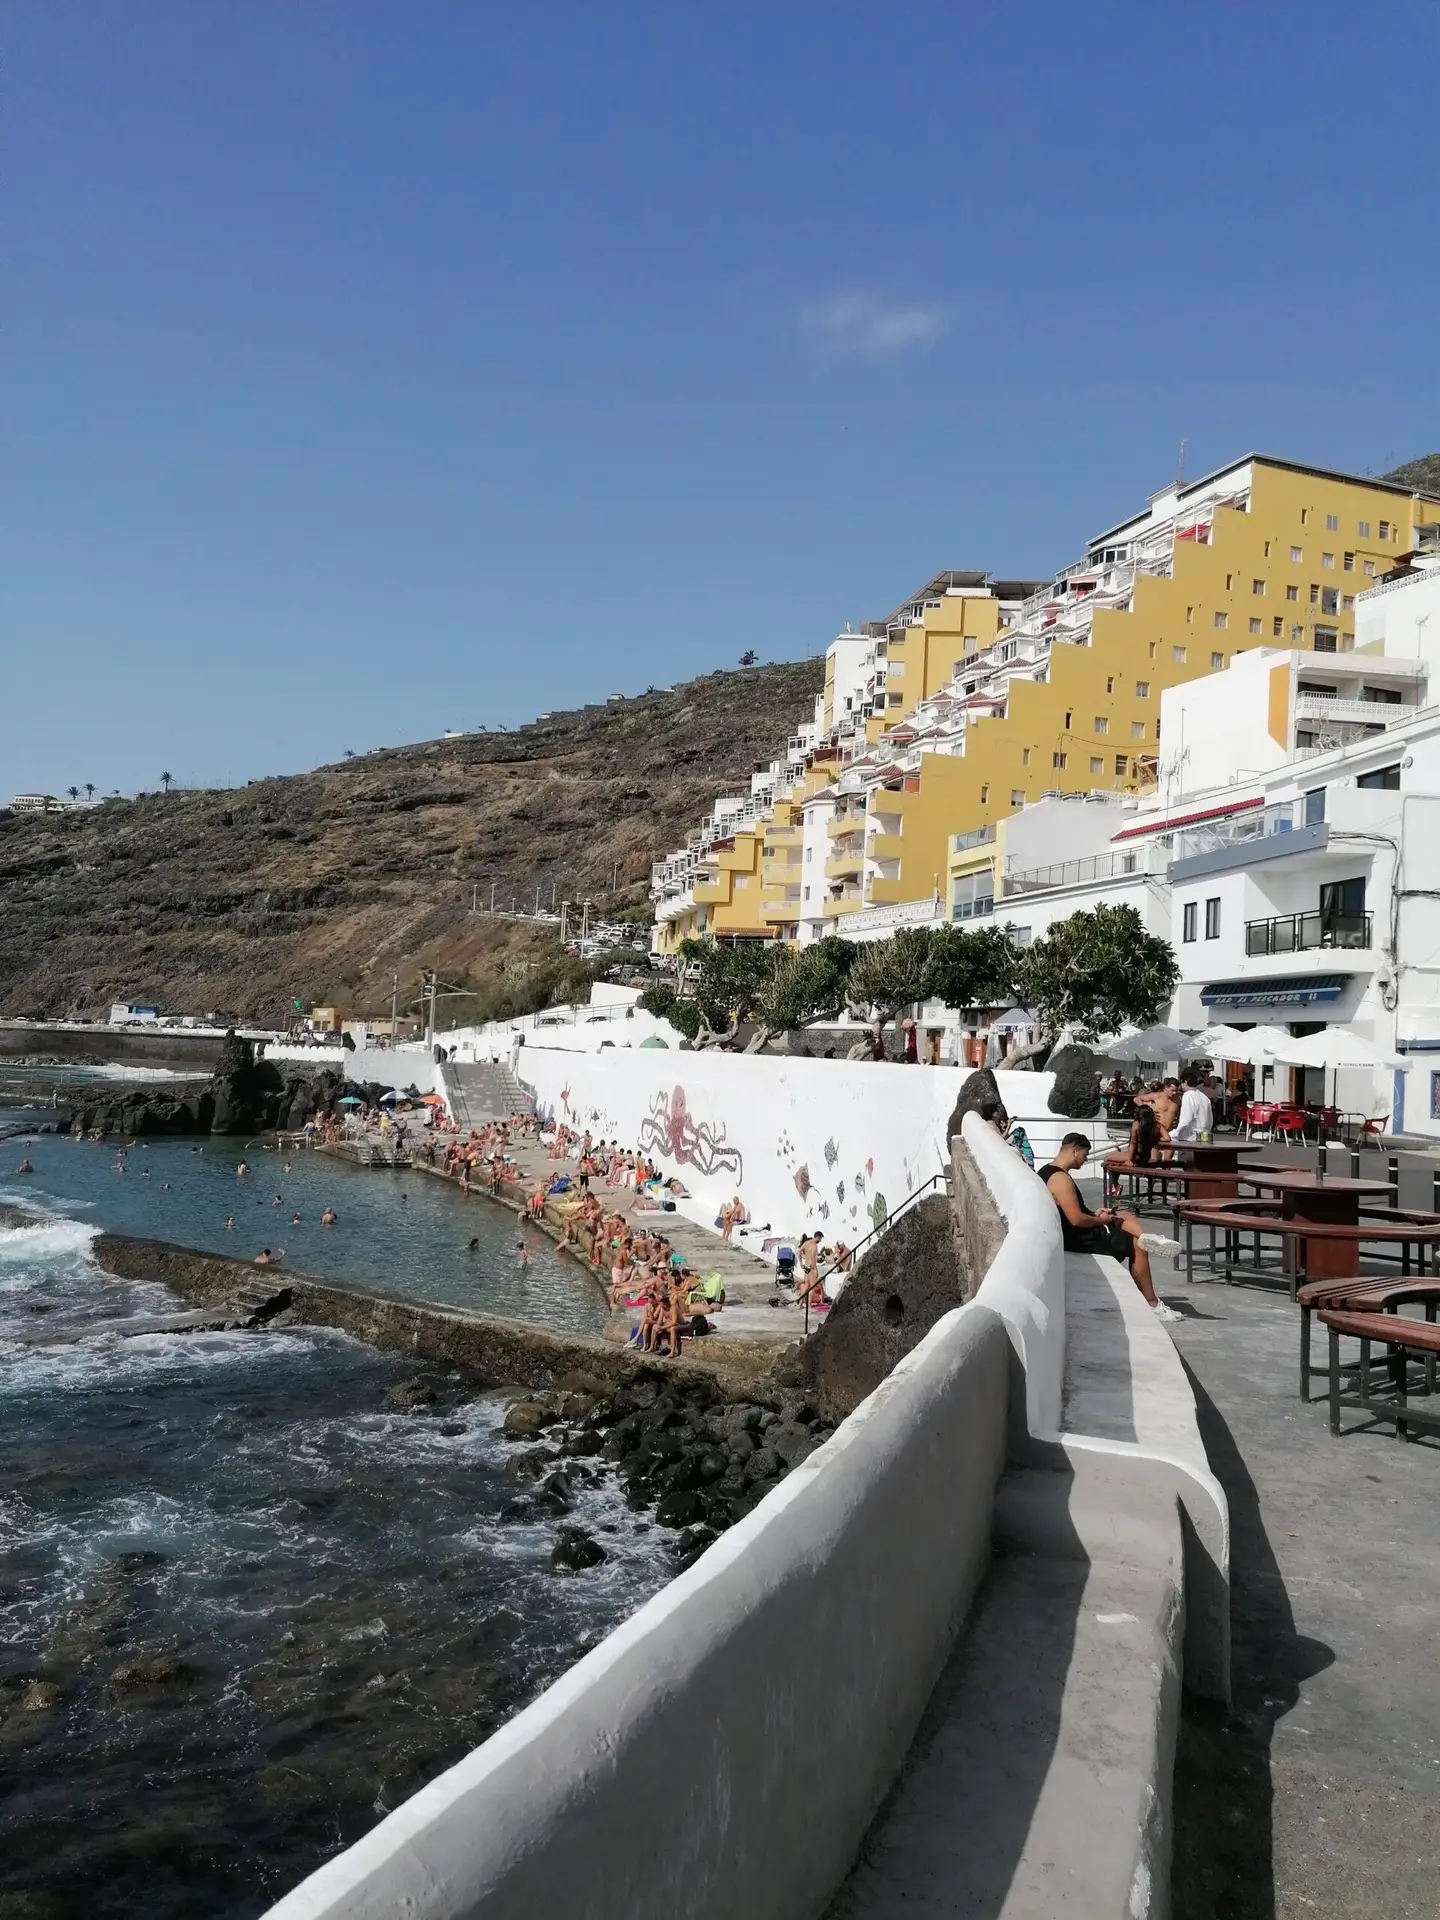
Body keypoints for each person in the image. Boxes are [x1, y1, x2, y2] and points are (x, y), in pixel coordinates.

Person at [1039, 1134, 1182, 1321]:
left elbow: (1074, 1213)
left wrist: (1095, 1213)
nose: (1085, 1159)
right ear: (1074, 1150)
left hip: (1074, 1233)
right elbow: (1076, 1220)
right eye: (1084, 1154)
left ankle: (1150, 1237)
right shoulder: (1061, 1179)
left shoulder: (1046, 1172)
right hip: (1080, 1238)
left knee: (1124, 1215)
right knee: (1137, 1245)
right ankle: (1152, 1303)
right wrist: (1102, 1221)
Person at [1173, 1069, 1214, 1149]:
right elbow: (1210, 1119)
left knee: (1186, 1159)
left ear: (1184, 1082)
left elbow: (1186, 1118)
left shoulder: (1188, 1096)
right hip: (1205, 1134)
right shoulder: (1204, 1097)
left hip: (1189, 1136)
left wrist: (1176, 1132)